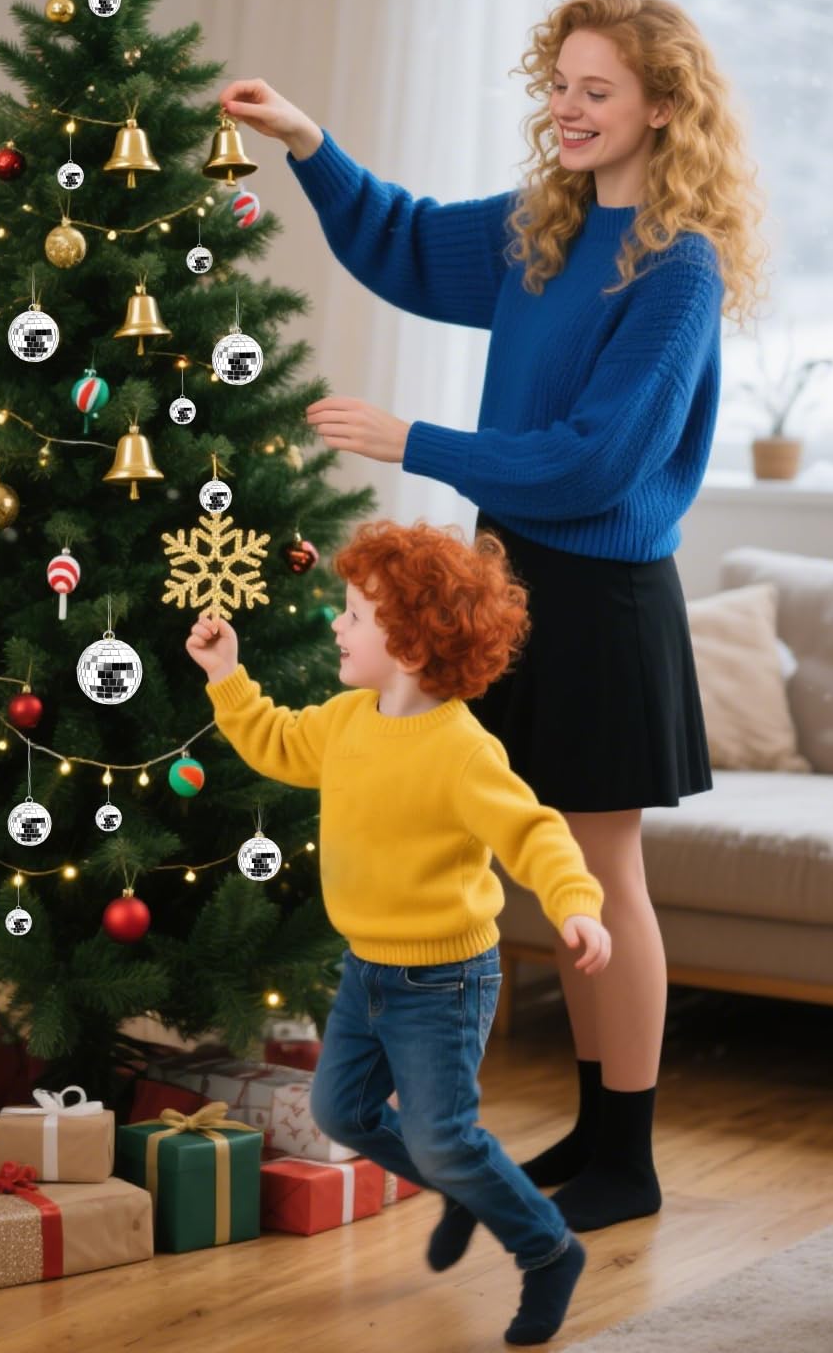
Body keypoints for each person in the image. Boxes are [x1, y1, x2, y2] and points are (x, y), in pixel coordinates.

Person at [217, 0, 766, 1236]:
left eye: (597, 91)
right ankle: (593, 1129)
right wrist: (310, 143)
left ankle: (627, 1154)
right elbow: (401, 242)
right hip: (508, 583)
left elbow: (594, 463)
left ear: (662, 109)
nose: (567, 112)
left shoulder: (675, 269)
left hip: (604, 598)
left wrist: (414, 438)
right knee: (515, 857)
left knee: (597, 871)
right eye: (558, 87)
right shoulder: (543, 226)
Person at [186, 519, 612, 1347]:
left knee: (445, 1137)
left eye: (355, 614)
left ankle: (548, 1249)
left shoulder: (460, 751)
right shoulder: (348, 720)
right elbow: (274, 740)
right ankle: (465, 1186)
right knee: (341, 1110)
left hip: (445, 982)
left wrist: (576, 903)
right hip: (367, 969)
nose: (337, 626)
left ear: (412, 643)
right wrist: (227, 677)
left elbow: (535, 832)